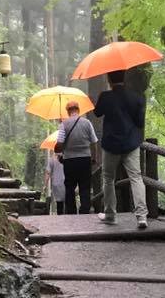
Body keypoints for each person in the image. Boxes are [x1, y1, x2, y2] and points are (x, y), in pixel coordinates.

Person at [94, 69, 148, 229]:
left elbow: (97, 113)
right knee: (136, 178)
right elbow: (139, 122)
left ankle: (110, 215)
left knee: (108, 179)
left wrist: (96, 101)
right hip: (131, 144)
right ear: (124, 78)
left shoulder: (105, 96)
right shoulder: (136, 97)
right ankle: (142, 216)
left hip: (111, 144)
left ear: (109, 79)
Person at [54, 100, 98, 214]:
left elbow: (59, 143)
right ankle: (84, 210)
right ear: (78, 110)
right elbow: (94, 142)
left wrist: (60, 149)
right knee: (85, 186)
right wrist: (94, 157)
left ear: (68, 111)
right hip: (85, 159)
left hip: (69, 161)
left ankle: (71, 212)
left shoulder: (64, 124)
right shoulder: (87, 123)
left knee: (69, 187)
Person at [44, 150, 65, 215]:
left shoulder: (52, 159)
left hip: (56, 184)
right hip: (67, 182)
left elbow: (48, 173)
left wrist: (45, 185)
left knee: (59, 203)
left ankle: (60, 217)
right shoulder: (68, 157)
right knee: (69, 202)